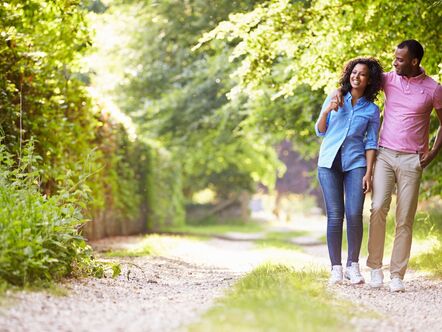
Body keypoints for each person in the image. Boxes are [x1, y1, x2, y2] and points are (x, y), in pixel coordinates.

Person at [335, 40, 442, 292]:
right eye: (394, 58)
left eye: (400, 59)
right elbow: (358, 79)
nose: (394, 63)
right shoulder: (387, 79)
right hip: (384, 154)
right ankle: (375, 268)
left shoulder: (433, 88)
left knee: (405, 217)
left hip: (411, 159)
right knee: (378, 207)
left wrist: (434, 151)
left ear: (414, 61)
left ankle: (397, 275)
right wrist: (339, 92)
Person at [315, 57, 383, 285]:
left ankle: (353, 265)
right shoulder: (335, 97)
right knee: (335, 216)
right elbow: (320, 131)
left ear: (369, 80)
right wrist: (327, 111)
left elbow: (371, 142)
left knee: (354, 214)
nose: (356, 76)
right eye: (354, 72)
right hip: (329, 164)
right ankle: (335, 267)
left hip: (356, 164)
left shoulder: (373, 110)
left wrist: (369, 173)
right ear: (348, 74)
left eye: (362, 74)